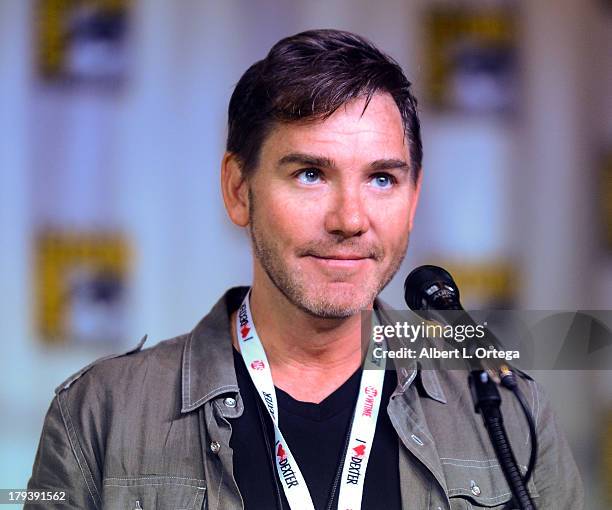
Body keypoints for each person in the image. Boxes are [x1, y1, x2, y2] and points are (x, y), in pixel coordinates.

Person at [27, 29, 583, 509]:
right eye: (311, 174)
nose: (350, 219)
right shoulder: (101, 413)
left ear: (414, 201)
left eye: (382, 178)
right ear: (238, 190)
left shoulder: (505, 412)